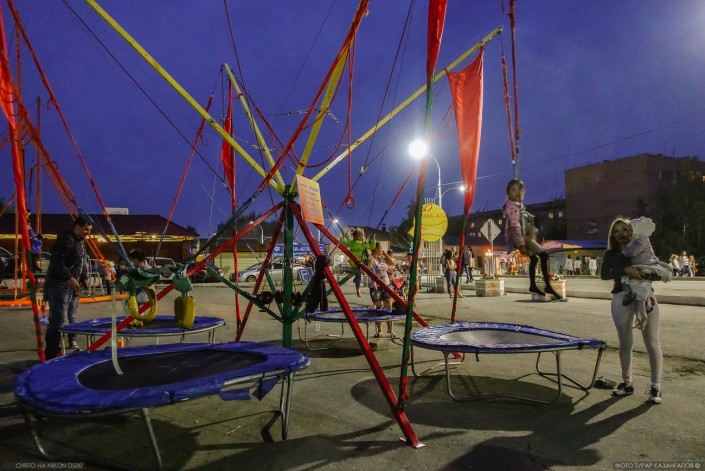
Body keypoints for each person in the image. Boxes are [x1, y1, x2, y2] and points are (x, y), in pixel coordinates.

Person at [600, 217, 664, 404]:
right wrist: (624, 270)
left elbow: (657, 272)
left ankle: (655, 387)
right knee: (625, 341)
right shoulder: (611, 253)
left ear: (633, 230)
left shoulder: (642, 247)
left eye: (625, 229)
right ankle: (627, 383)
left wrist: (643, 272)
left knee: (652, 342)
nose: (621, 233)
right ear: (612, 235)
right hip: (621, 298)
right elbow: (604, 275)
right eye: (617, 231)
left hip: (645, 297)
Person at [502, 179, 561, 298]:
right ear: (508, 193)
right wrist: (521, 244)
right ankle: (547, 286)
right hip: (519, 237)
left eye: (520, 189)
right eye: (513, 190)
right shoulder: (512, 207)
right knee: (544, 255)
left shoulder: (518, 206)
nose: (517, 192)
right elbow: (515, 225)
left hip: (522, 236)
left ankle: (533, 285)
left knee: (534, 259)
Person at [44, 216, 92, 359]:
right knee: (58, 319)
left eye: (90, 230)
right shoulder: (67, 240)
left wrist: (84, 278)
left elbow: (81, 262)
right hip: (59, 285)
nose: (88, 233)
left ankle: (70, 341)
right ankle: (52, 351)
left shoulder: (80, 242)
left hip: (72, 285)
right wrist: (69, 277)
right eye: (86, 229)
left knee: (72, 316)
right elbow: (56, 263)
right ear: (77, 227)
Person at [619, 217, 671, 330]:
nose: (628, 232)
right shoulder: (638, 239)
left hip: (647, 265)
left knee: (633, 280)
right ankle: (642, 307)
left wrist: (622, 248)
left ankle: (637, 302)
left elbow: (630, 252)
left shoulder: (641, 240)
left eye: (630, 229)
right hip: (644, 264)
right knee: (638, 284)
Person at [368, 244, 397, 338]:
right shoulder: (370, 259)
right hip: (375, 287)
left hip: (386, 284)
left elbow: (392, 263)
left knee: (389, 307)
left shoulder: (383, 258)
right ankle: (380, 330)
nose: (382, 250)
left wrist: (384, 253)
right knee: (378, 308)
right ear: (375, 249)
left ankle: (390, 329)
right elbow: (368, 268)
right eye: (381, 248)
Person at [341, 228, 376, 298]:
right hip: (363, 261)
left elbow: (344, 242)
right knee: (371, 269)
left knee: (358, 275)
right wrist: (373, 238)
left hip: (355, 262)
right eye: (363, 235)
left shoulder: (351, 243)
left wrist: (343, 236)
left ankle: (358, 289)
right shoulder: (363, 244)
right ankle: (373, 281)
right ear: (360, 236)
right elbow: (372, 246)